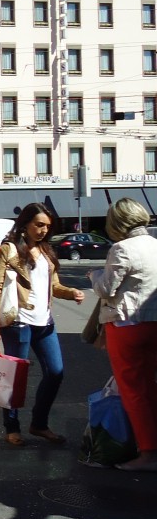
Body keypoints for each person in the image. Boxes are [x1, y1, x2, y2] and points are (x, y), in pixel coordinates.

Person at [0, 203, 84, 447]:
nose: (44, 230)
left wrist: (71, 293)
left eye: (47, 226)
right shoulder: (9, 249)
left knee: (55, 372)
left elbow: (54, 286)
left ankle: (39, 424)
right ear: (25, 223)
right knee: (15, 377)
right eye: (39, 225)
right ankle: (12, 428)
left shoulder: (46, 251)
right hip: (18, 322)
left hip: (44, 322)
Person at [88, 198, 157, 471]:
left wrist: (94, 276)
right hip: (153, 322)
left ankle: (148, 453)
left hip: (127, 325)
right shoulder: (154, 244)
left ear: (116, 223)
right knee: (150, 386)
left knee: (133, 390)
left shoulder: (122, 249)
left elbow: (106, 289)